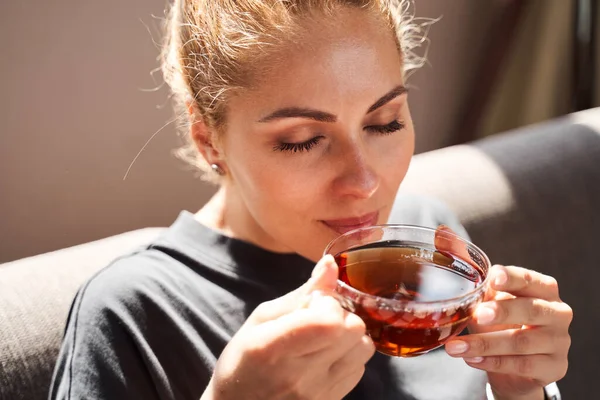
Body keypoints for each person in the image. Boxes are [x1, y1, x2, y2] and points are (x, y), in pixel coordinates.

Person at [49, 1, 572, 399]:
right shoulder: (132, 315)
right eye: (302, 140)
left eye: (384, 122)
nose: (365, 183)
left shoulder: (429, 237)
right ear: (208, 138)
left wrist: (521, 389)